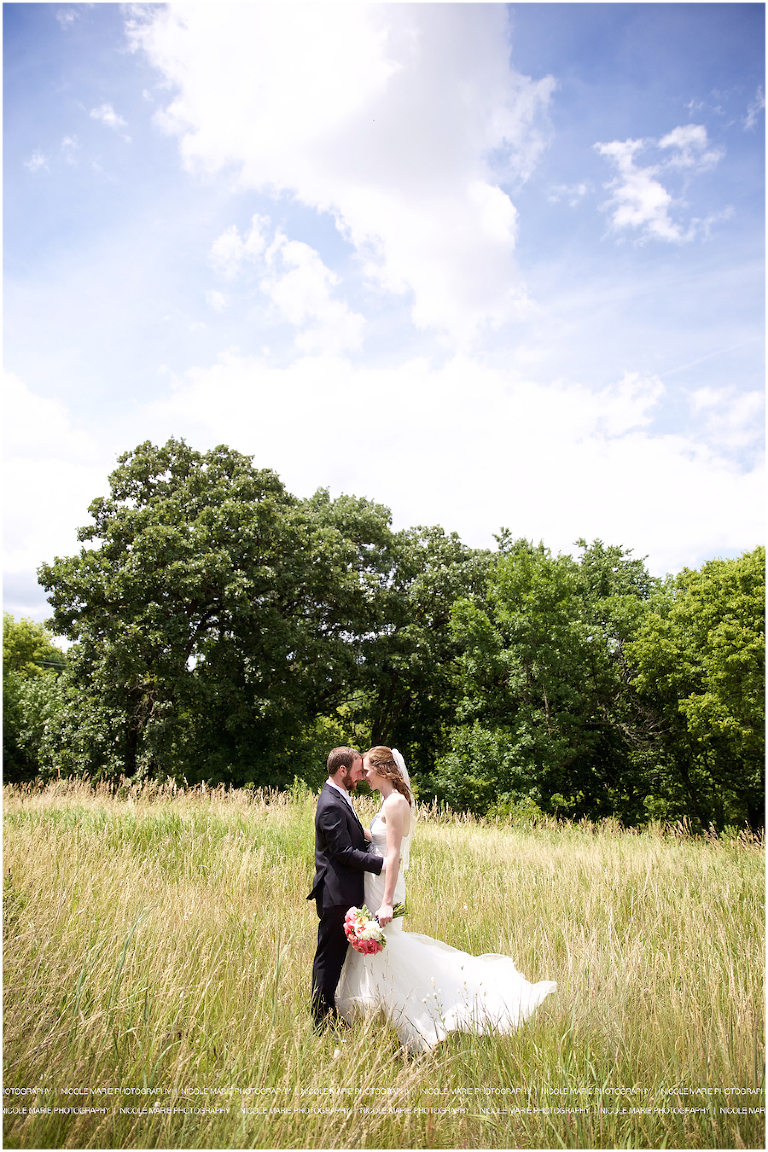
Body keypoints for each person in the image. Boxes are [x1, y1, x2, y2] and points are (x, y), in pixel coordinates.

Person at [335, 746, 557, 1052]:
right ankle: (380, 1022)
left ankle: (420, 1021)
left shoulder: (397, 802)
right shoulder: (387, 801)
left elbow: (395, 855)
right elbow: (379, 838)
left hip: (387, 885)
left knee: (390, 949)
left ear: (384, 770)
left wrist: (387, 902)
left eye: (368, 769)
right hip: (374, 882)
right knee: (377, 953)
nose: (364, 774)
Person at [307, 746, 388, 1028]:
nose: (361, 776)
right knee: (329, 960)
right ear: (342, 771)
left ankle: (330, 1013)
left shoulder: (339, 796)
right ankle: (320, 1020)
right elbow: (342, 851)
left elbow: (351, 840)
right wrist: (382, 864)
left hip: (344, 892)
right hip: (336, 893)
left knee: (337, 958)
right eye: (357, 771)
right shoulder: (330, 803)